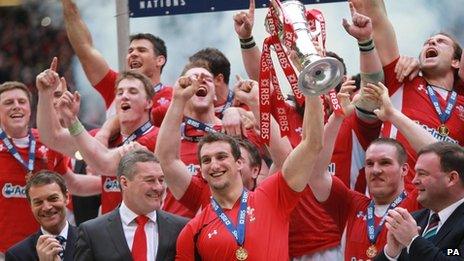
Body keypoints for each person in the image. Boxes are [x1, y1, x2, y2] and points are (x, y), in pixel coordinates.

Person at [170, 66, 324, 260]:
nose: (214, 165)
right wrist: (177, 100)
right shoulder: (193, 230)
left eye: (222, 156)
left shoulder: (272, 197)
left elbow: (312, 145)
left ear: (239, 163)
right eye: (206, 160)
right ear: (201, 171)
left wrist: (312, 84)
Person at [348, 0, 464, 191]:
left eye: (441, 41)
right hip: (393, 202)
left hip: (442, 208)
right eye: (427, 43)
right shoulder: (401, 80)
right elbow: (372, 14)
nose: (432, 42)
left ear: (456, 62)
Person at [36, 67, 158, 214]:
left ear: (149, 102)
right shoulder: (103, 137)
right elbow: (52, 137)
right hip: (110, 231)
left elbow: (103, 163)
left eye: (133, 91)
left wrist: (72, 120)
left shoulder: (155, 138)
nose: (124, 96)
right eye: (120, 93)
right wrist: (44, 94)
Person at [0, 80, 98, 256]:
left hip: (49, 246)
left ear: (30, 110)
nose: (16, 106)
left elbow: (72, 184)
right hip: (4, 251)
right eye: (8, 103)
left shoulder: (48, 141)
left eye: (21, 102)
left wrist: (110, 181)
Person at [61, 0, 172, 133]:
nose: (133, 54)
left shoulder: (174, 96)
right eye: (130, 51)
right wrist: (68, 6)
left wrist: (106, 131)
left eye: (141, 50)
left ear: (159, 60)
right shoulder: (115, 86)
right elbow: (85, 49)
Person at [74, 149, 188, 261]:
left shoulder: (181, 228)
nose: (158, 187)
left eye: (161, 180)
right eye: (150, 180)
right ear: (124, 183)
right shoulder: (93, 233)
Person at [376, 142, 464, 260]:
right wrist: (391, 253)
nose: (414, 181)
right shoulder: (413, 220)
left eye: (422, 174)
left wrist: (413, 241)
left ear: (451, 178)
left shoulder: (410, 230)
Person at [6, 170, 77, 261]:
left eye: (53, 198)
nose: (46, 207)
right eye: (38, 202)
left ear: (66, 197)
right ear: (31, 206)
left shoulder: (90, 241)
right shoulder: (17, 255)